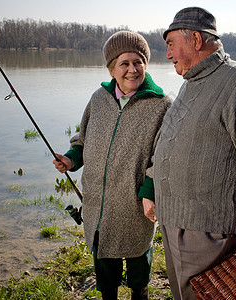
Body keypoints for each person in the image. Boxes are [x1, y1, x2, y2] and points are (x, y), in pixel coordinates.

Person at [153, 7, 236, 299]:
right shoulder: (192, 83)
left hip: (207, 233)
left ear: (196, 40)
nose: (168, 54)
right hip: (174, 223)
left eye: (171, 45)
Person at [53, 31, 172, 300]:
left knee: (139, 261)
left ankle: (139, 294)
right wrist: (71, 159)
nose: (132, 69)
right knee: (104, 264)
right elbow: (82, 140)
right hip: (98, 203)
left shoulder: (162, 104)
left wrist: (150, 192)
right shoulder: (98, 99)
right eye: (124, 63)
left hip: (136, 204)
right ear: (111, 68)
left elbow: (163, 158)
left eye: (138, 62)